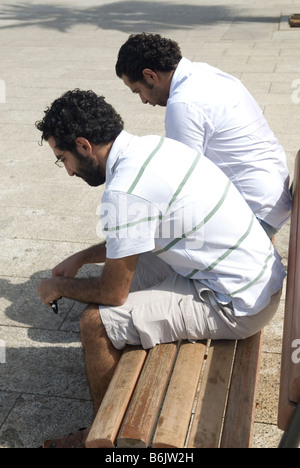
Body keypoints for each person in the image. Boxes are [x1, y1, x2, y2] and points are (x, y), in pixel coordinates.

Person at [36, 89, 285, 448]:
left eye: (63, 159)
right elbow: (135, 237)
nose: (68, 171)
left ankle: (103, 437)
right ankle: (122, 385)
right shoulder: (151, 148)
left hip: (236, 304)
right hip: (257, 276)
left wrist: (58, 288)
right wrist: (81, 258)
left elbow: (112, 292)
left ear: (84, 145)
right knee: (128, 284)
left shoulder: (124, 191)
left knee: (95, 323)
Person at [116, 33, 292, 239]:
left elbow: (183, 184)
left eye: (138, 91)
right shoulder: (205, 72)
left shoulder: (183, 104)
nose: (143, 101)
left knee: (152, 241)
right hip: (274, 196)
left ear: (150, 76)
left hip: (255, 213)